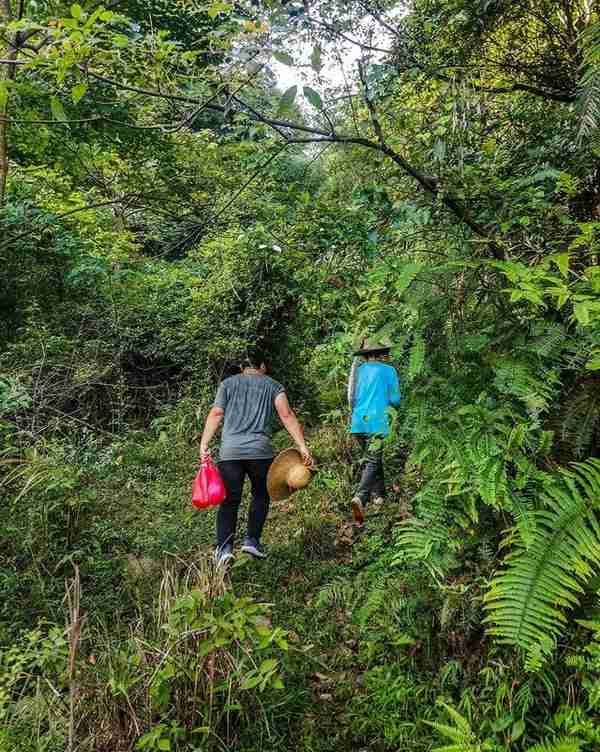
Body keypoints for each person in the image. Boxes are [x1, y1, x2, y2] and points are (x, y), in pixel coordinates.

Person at [199, 346, 312, 565]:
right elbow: (286, 415)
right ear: (263, 366)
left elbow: (216, 413)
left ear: (242, 367)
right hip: (260, 452)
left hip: (230, 452)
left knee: (229, 500)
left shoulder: (228, 384)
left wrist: (204, 444)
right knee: (261, 494)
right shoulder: (273, 385)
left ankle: (224, 549)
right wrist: (302, 447)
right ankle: (252, 540)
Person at [348, 337, 401, 524]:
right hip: (377, 423)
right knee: (373, 460)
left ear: (366, 355)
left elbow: (351, 397)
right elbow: (395, 400)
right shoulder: (389, 371)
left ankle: (379, 497)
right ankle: (360, 498)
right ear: (382, 353)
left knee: (373, 460)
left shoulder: (358, 371)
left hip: (357, 423)